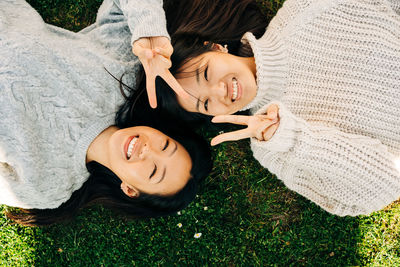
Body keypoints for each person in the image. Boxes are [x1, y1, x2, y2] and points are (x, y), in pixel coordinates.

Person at [155, 0, 400, 216]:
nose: (220, 91)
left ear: (216, 47)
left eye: (206, 73)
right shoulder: (272, 148)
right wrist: (294, 138)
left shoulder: (304, 11)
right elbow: (385, 185)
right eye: (206, 103)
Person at [0, 0, 211, 226]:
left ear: (130, 190)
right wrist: (149, 34)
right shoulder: (125, 74)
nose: (148, 149)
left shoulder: (47, 188)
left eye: (152, 171)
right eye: (165, 145)